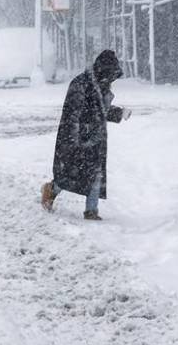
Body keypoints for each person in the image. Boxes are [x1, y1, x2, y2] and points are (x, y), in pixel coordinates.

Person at [41, 49, 129, 221]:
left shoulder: (101, 86)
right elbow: (72, 113)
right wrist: (76, 138)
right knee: (71, 172)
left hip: (95, 139)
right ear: (102, 70)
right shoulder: (81, 84)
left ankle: (91, 211)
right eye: (110, 75)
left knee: (95, 174)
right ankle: (51, 190)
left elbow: (99, 111)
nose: (111, 80)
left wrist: (119, 113)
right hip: (77, 138)